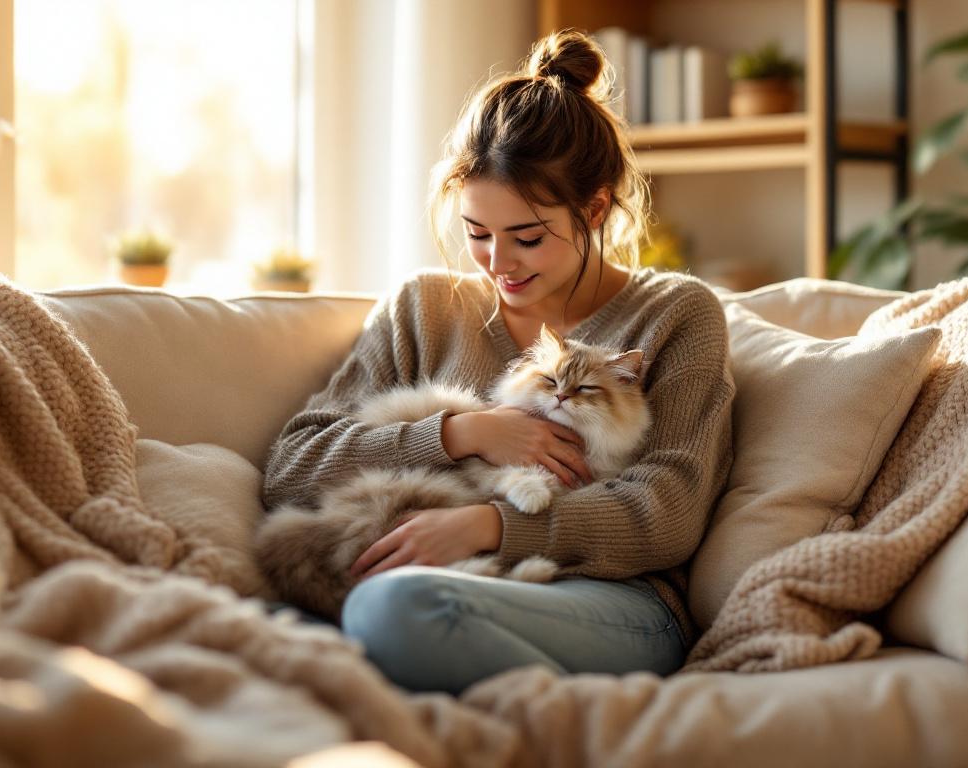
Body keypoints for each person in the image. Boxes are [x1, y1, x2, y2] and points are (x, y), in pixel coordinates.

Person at [261, 29, 734, 695]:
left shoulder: (674, 315)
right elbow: (290, 470)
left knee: (392, 610)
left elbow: (670, 511)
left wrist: (488, 526)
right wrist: (464, 434)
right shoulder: (425, 308)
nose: (497, 263)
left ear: (595, 208)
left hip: (604, 599)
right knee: (302, 616)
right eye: (477, 233)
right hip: (427, 581)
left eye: (527, 238)